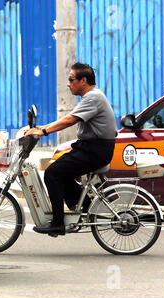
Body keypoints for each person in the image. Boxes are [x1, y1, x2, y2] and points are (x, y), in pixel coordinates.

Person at [24, 62, 117, 235]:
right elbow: (68, 118)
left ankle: (58, 223)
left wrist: (43, 131)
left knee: (52, 173)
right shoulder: (89, 97)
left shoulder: (92, 98)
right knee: (61, 171)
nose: (68, 83)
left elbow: (69, 120)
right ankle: (86, 208)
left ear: (83, 80)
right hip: (90, 148)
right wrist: (42, 128)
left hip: (95, 150)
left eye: (71, 79)